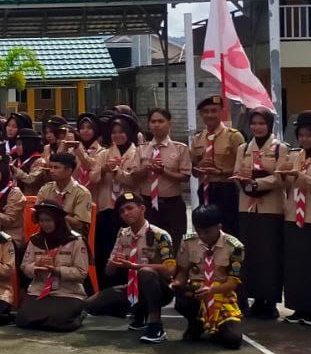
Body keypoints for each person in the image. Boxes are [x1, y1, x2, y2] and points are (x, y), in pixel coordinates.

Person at [84, 193, 176, 344]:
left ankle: (156, 325)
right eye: (122, 211)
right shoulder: (123, 235)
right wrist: (114, 262)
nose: (126, 213)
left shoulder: (160, 235)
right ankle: (140, 312)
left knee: (145, 273)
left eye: (129, 208)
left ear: (142, 208)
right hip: (133, 288)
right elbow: (109, 272)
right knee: (90, 305)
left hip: (161, 289)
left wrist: (135, 266)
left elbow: (170, 269)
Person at [276, 110, 311, 326]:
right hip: (293, 215)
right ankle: (298, 307)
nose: (304, 139)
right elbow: (287, 186)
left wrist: (302, 177)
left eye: (309, 135)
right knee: (295, 265)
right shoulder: (295, 156)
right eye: (301, 135)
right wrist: (283, 176)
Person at [234, 107, 285, 319]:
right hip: (247, 207)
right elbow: (236, 173)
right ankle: (253, 297)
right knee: (250, 255)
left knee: (270, 255)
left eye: (262, 123)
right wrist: (244, 182)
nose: (257, 127)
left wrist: (258, 182)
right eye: (253, 123)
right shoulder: (244, 148)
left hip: (271, 209)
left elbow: (281, 178)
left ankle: (270, 300)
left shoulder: (280, 148)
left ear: (269, 125)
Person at [172, 203, 244, 349]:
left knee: (233, 340)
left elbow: (232, 283)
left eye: (207, 232)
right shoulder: (188, 242)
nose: (203, 236)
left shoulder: (235, 247)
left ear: (219, 226)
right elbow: (183, 272)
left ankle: (216, 328)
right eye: (199, 231)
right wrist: (176, 284)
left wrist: (211, 290)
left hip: (221, 294)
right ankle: (196, 324)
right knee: (182, 299)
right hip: (196, 292)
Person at [123, 106, 191, 248]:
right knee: (148, 244)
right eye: (153, 122)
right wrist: (147, 167)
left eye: (161, 121)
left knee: (174, 243)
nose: (156, 125)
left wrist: (163, 172)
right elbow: (134, 176)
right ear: (149, 125)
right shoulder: (141, 149)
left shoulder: (180, 148)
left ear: (169, 124)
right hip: (147, 203)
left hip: (172, 204)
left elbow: (185, 177)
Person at [18, 198, 88, 332]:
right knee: (23, 319)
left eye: (48, 220)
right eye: (41, 220)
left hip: (67, 291)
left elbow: (81, 272)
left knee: (60, 323)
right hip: (39, 289)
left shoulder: (75, 241)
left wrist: (57, 270)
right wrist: (34, 269)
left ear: (58, 220)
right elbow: (24, 266)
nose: (45, 224)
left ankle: (80, 313)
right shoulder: (35, 240)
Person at [190, 95, 245, 236]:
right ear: (201, 114)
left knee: (228, 229)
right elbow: (193, 170)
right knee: (206, 228)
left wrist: (220, 171)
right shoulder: (197, 138)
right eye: (205, 111)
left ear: (221, 112)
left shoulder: (233, 136)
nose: (210, 115)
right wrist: (199, 166)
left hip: (227, 189)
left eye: (214, 111)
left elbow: (243, 167)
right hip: (205, 189)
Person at [93, 114, 137, 286]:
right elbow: (93, 178)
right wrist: (104, 169)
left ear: (129, 133)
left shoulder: (137, 153)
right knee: (104, 250)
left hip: (127, 211)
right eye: (114, 132)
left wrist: (117, 172)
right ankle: (105, 286)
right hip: (106, 209)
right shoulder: (104, 154)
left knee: (126, 251)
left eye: (121, 132)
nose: (117, 135)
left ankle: (127, 285)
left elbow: (134, 180)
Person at [34, 152, 93, 237]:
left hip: (72, 237)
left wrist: (54, 213)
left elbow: (79, 224)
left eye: (56, 167)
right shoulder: (45, 189)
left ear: (69, 171)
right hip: (47, 235)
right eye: (51, 167)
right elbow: (35, 218)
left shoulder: (82, 193)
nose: (51, 171)